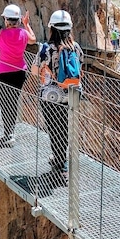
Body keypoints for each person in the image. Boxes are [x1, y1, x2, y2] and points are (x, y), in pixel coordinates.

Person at [0, 4, 36, 146]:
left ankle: (8, 132)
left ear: (6, 20)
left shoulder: (0, 34)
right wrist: (27, 24)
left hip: (3, 72)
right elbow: (33, 39)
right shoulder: (24, 33)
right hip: (21, 72)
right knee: (14, 100)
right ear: (18, 20)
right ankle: (11, 130)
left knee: (5, 102)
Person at [35, 9, 83, 173]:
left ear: (52, 28)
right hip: (71, 94)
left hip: (50, 96)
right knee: (64, 127)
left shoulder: (45, 48)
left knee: (53, 127)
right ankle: (63, 160)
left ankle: (58, 160)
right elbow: (80, 66)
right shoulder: (75, 47)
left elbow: (35, 71)